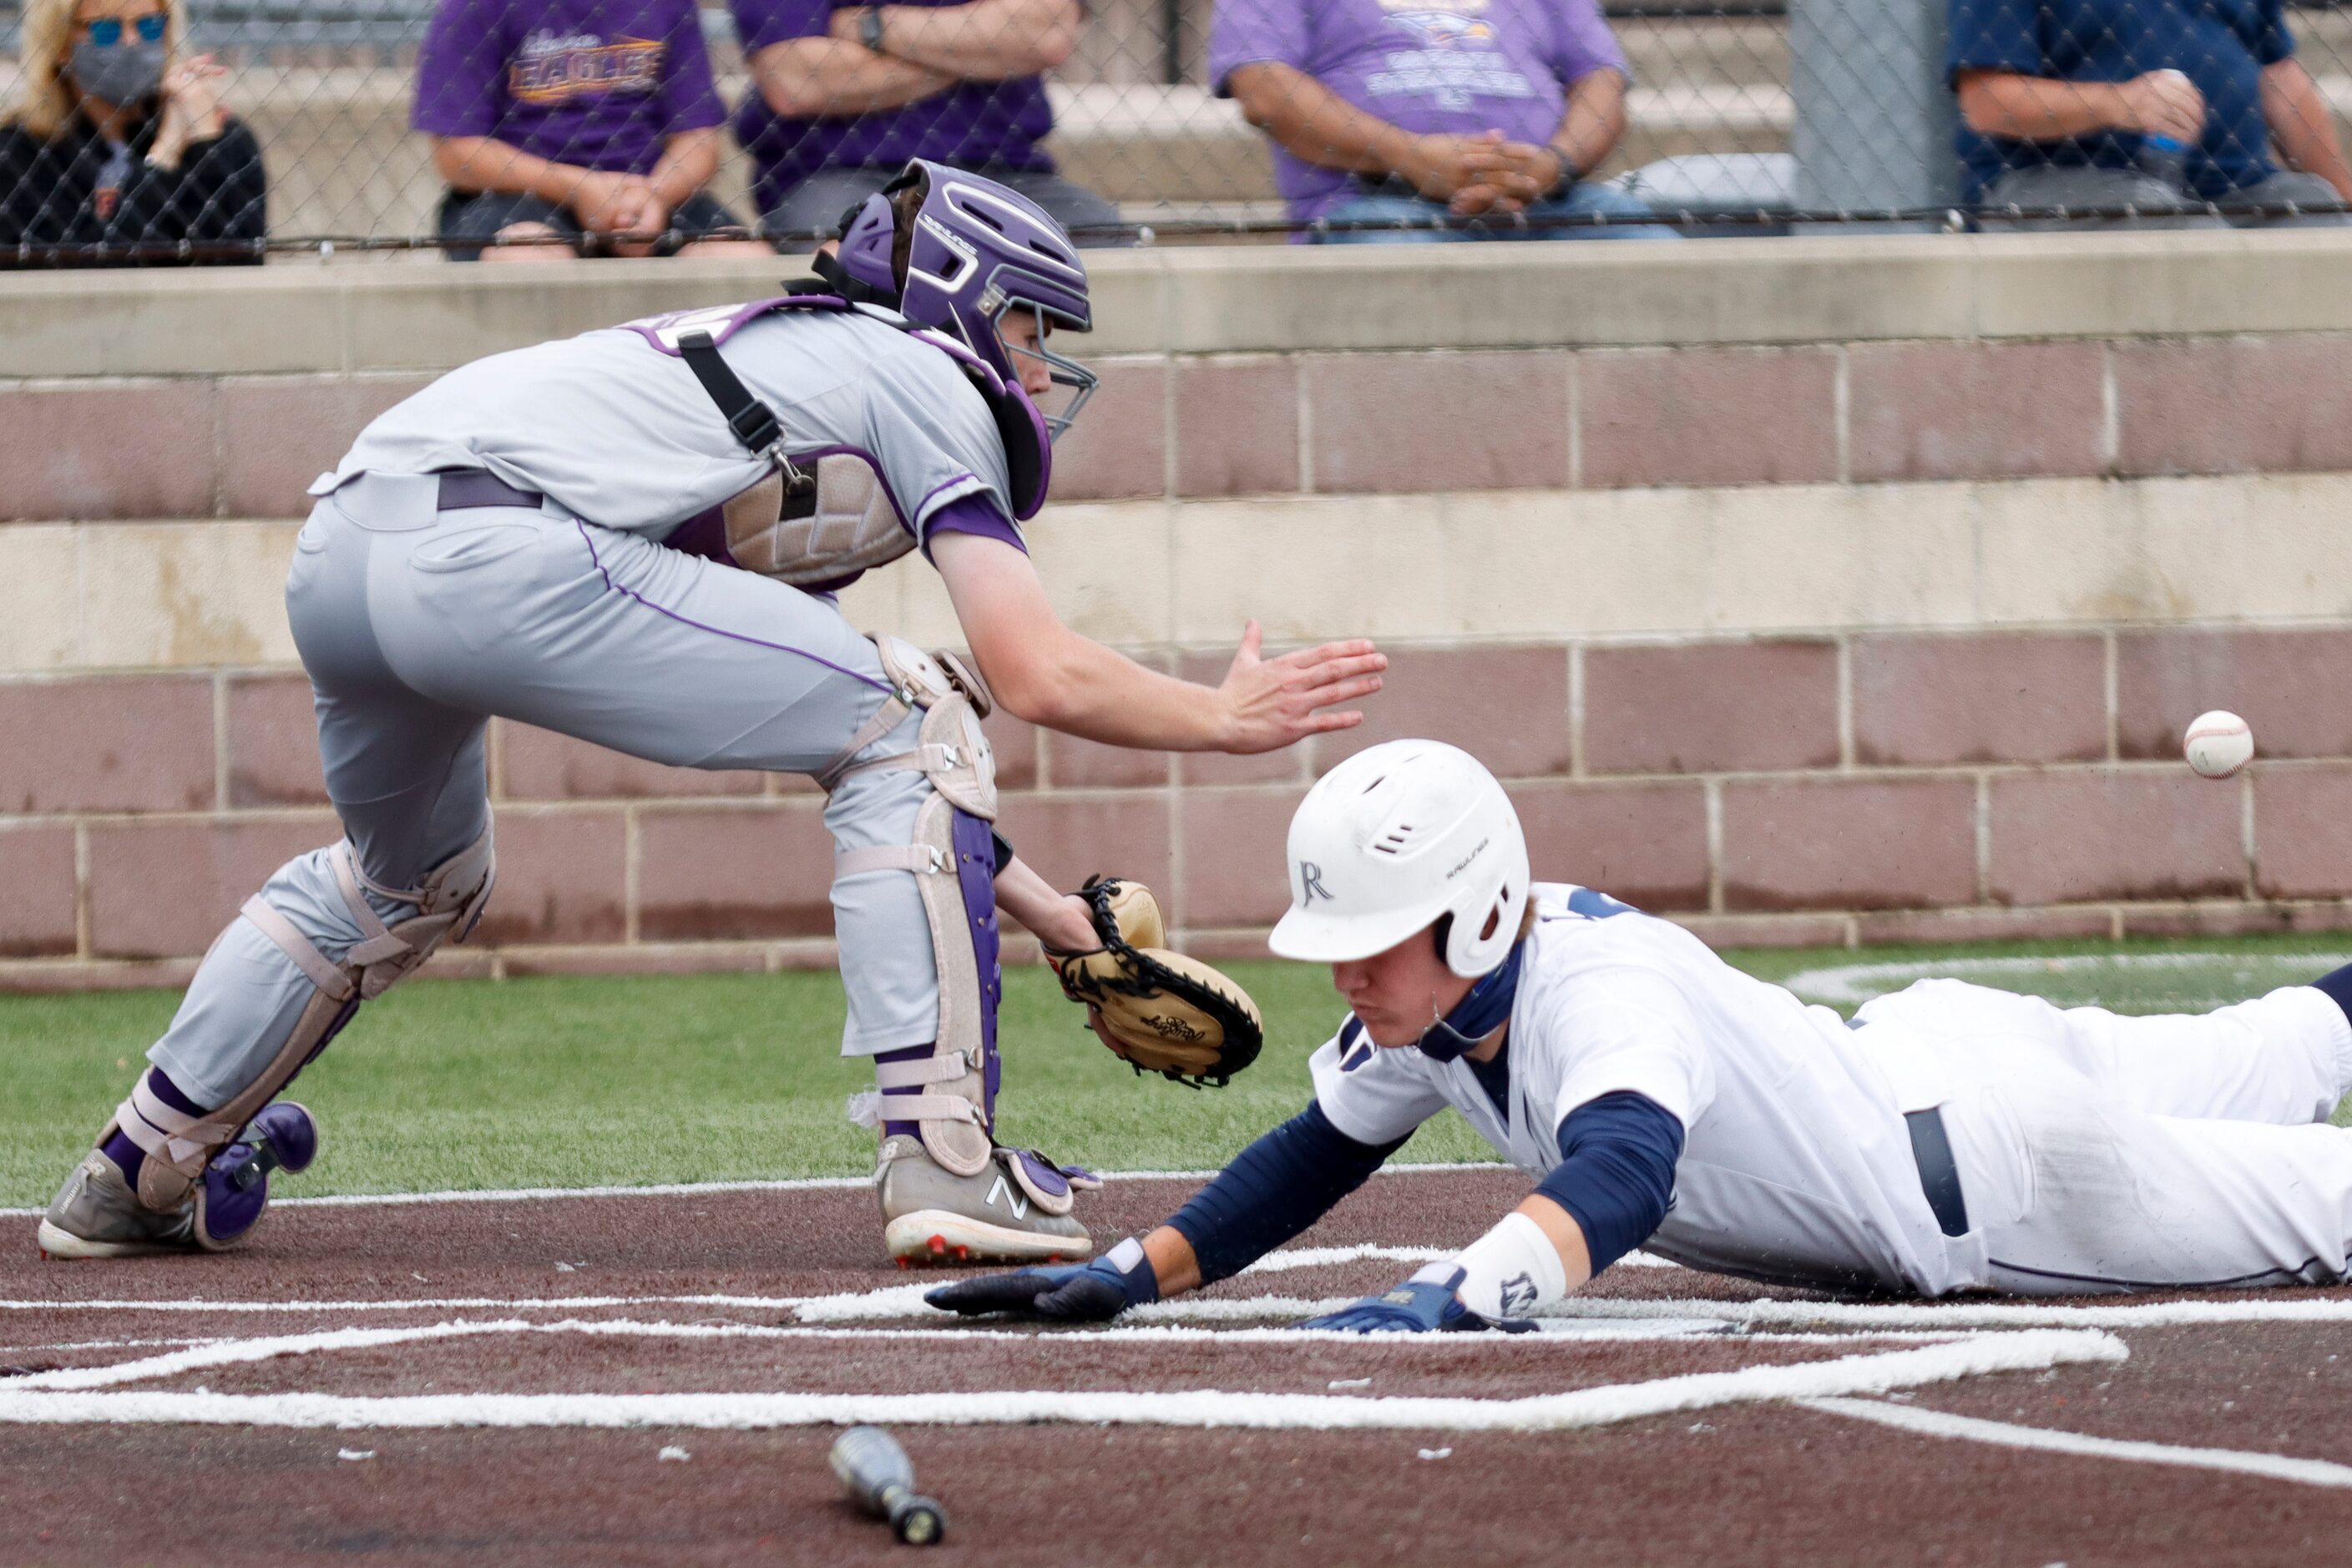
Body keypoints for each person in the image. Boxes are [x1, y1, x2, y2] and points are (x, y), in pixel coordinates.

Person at [33, 160, 1387, 1269]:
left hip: (346, 548)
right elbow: (1021, 672)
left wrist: (1053, 921)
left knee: (409, 881)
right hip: (500, 545)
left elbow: (861, 741)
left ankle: (137, 1164)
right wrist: (1223, 718)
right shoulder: (923, 374)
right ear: (966, 304)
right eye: (1032, 333)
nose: (1038, 371)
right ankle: (946, 1162)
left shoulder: (805, 369)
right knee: (914, 713)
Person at [933, 738, 2352, 1330]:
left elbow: (1624, 1171)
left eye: (1373, 939)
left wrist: (1467, 1291)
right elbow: (1312, 1154)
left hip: (2018, 1179)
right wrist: (1132, 1271)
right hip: (1945, 1060)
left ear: (1476, 913)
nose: (1347, 973)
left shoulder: (1593, 993)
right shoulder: (1442, 997)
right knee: (2294, 1033)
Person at [1207, 0, 1668, 241]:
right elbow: (1264, 88)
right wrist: (1410, 157)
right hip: (1374, 203)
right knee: (1407, 284)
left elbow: (1602, 79)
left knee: (1655, 256)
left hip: (1547, 200)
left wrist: (1552, 166)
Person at [727, 0, 1121, 247]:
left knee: (1107, 250)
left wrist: (874, 27)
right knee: (856, 269)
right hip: (838, 176)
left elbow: (1045, 32)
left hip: (1004, 174)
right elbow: (797, 80)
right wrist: (978, 48)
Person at [413, 0, 770, 260]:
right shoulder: (474, 7)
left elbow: (699, 139)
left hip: (647, 189)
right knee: (527, 259)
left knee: (743, 258)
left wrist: (652, 199)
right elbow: (457, 154)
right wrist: (581, 189)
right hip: (521, 194)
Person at [1949, 0, 2352, 228]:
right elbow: (1987, 100)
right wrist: (2120, 103)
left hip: (2231, 185)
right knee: (2193, 240)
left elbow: (2280, 80)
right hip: (2054, 180)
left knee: (2323, 221)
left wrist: (2346, 202)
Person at [0, 0, 266, 265]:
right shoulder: (19, 152)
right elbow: (87, 268)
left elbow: (238, 261)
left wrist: (206, 145)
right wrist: (163, 154)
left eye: (149, 26)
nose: (131, 41)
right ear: (60, 45)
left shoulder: (223, 139)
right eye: (106, 30)